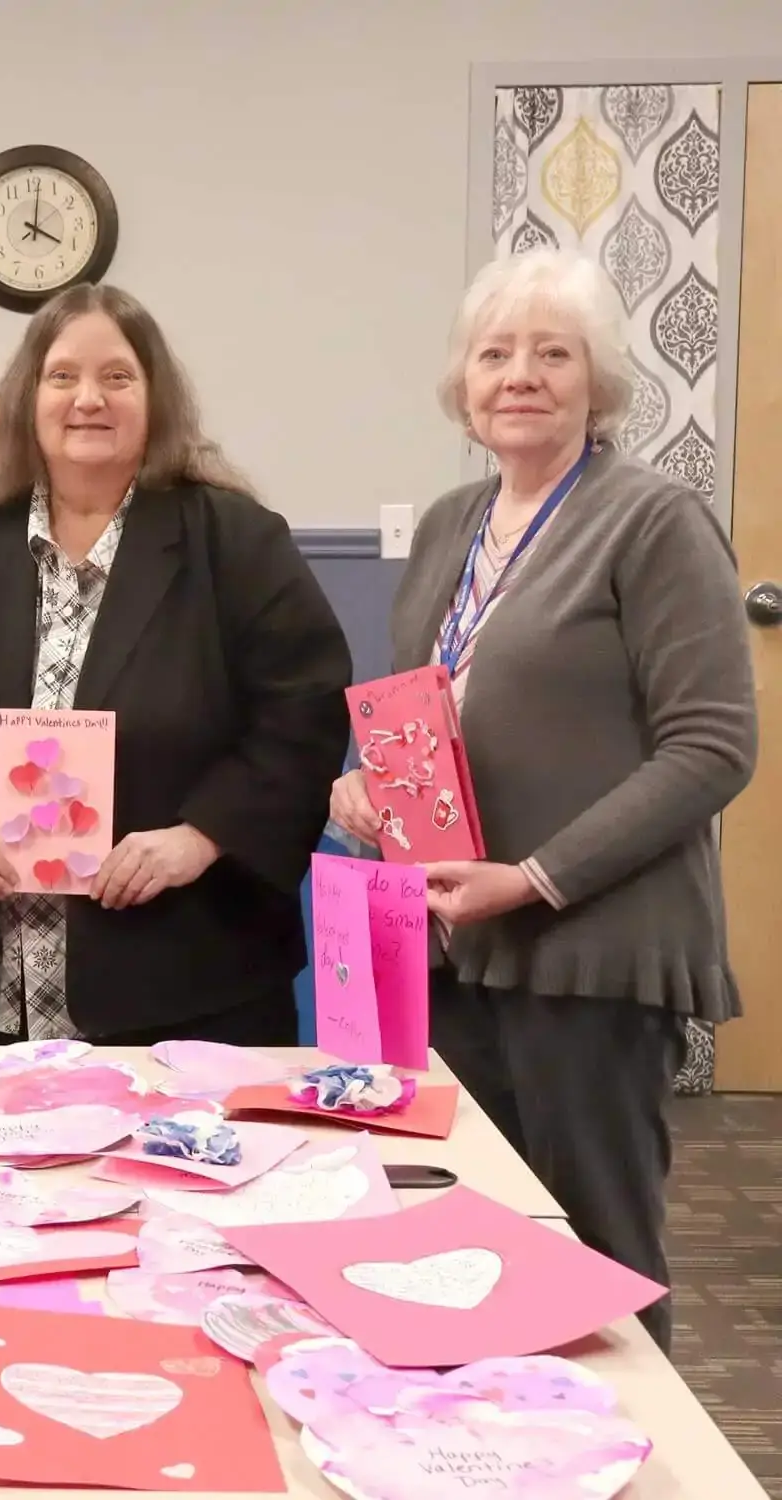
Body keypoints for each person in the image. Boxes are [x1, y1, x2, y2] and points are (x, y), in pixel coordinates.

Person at [329, 248, 756, 1352]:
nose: (518, 374)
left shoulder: (651, 523)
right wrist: (363, 785)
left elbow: (711, 745)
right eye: (494, 353)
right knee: (473, 1248)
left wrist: (532, 877)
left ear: (596, 382)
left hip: (587, 951)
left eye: (550, 353)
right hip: (451, 951)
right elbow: (425, 714)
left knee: (597, 1264)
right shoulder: (446, 526)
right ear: (461, 387)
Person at [0, 283, 352, 1047]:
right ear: (29, 398)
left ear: (155, 399)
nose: (89, 398)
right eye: (63, 376)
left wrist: (199, 837)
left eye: (117, 376)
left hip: (182, 985)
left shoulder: (237, 541)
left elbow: (305, 709)